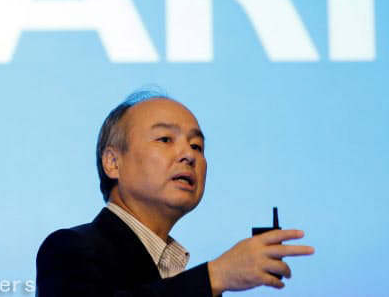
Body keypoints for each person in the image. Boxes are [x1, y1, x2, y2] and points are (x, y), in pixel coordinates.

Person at [36, 90, 314, 297]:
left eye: (196, 146)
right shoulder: (69, 249)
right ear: (113, 162)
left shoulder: (183, 277)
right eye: (165, 139)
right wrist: (215, 276)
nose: (188, 155)